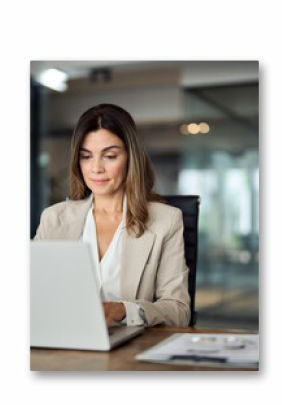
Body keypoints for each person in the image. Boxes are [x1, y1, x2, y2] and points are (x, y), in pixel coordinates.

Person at [34, 103, 190, 327]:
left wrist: (124, 310)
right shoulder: (54, 218)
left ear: (130, 158)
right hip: (64, 341)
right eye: (86, 156)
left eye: (109, 156)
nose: (96, 168)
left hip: (129, 349)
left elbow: (179, 311)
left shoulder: (166, 220)